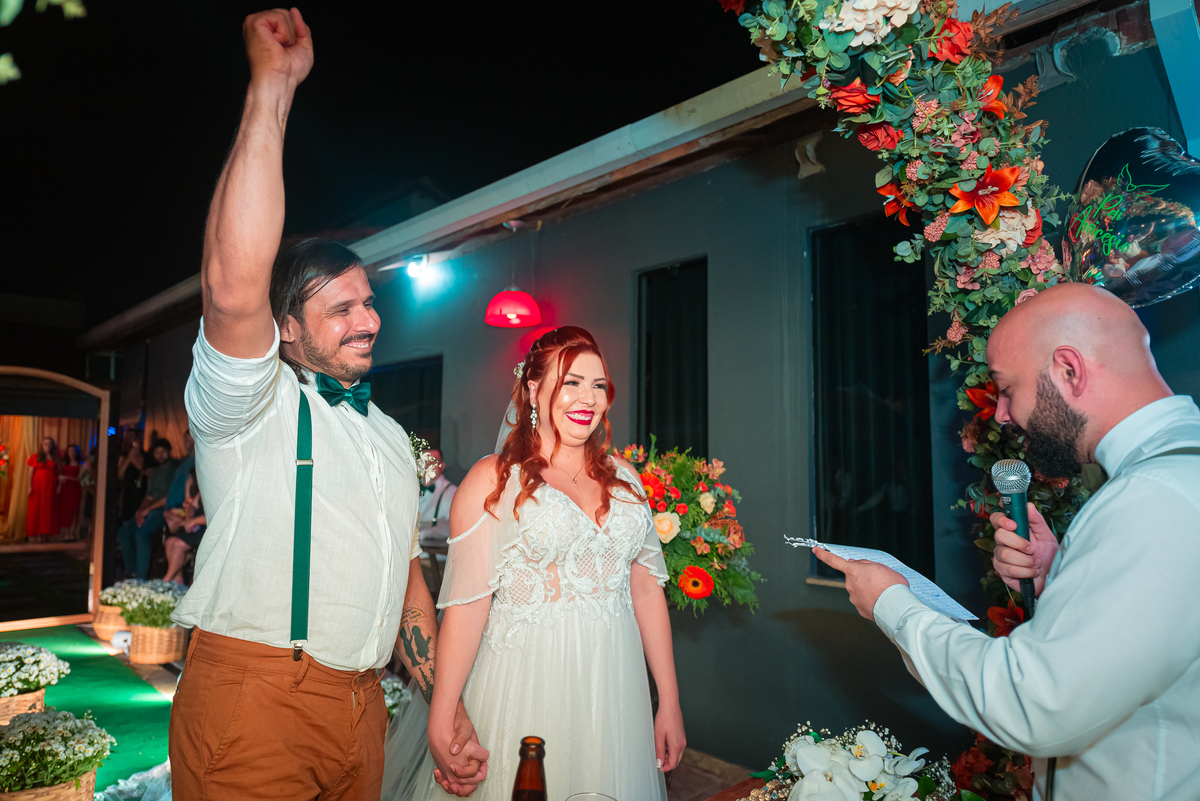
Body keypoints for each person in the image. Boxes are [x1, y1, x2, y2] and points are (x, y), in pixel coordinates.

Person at [168, 9, 486, 800]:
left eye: (369, 302)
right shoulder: (251, 407)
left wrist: (444, 706)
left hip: (362, 710)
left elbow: (407, 584)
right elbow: (232, 287)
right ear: (286, 328)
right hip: (256, 703)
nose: (368, 319)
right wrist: (272, 90)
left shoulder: (388, 435)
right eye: (340, 308)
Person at [816, 283, 1200, 801]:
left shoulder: (1154, 498)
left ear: (1069, 370)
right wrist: (1063, 572)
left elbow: (1032, 704)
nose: (1001, 414)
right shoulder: (1173, 478)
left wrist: (892, 603)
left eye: (1007, 388)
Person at [403, 326, 686, 801]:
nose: (588, 398)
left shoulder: (626, 481)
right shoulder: (493, 480)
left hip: (613, 687)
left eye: (598, 385)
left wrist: (670, 701)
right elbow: (466, 609)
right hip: (526, 680)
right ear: (534, 389)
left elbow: (645, 590)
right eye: (571, 382)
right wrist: (443, 714)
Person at [115, 439, 178, 579]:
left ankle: (140, 576)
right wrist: (140, 511)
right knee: (123, 533)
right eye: (157, 452)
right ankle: (130, 572)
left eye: (163, 452)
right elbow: (148, 496)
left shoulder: (174, 468)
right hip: (150, 509)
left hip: (165, 510)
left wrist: (147, 510)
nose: (160, 455)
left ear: (169, 452)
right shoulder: (156, 471)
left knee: (141, 534)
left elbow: (169, 497)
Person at [163, 469, 205, 586]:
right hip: (196, 528)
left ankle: (167, 579)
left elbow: (213, 516)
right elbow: (189, 507)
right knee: (170, 541)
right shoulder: (199, 491)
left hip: (206, 530)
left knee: (178, 544)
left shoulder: (212, 492)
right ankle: (178, 579)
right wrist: (187, 488)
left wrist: (193, 521)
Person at [25, 437, 60, 541]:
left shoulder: (55, 457)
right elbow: (30, 473)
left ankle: (46, 534)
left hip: (51, 486)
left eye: (49, 444)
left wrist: (59, 486)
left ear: (52, 446)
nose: (47, 446)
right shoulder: (35, 457)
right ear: (41, 445)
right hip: (38, 486)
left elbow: (58, 473)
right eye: (45, 444)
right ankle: (38, 534)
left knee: (48, 509)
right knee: (37, 509)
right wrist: (29, 486)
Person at [418, 448, 457, 526]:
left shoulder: (453, 494)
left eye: (433, 461)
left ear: (442, 466)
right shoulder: (408, 490)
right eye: (424, 461)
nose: (428, 465)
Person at [57, 444, 84, 540]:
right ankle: (66, 533)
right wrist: (59, 487)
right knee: (65, 511)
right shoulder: (64, 463)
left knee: (74, 511)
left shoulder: (80, 464)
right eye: (70, 451)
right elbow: (60, 477)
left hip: (75, 489)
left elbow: (80, 478)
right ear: (67, 453)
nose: (71, 453)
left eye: (73, 451)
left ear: (76, 452)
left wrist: (67, 477)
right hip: (65, 489)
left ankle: (72, 533)